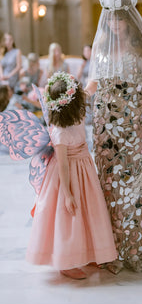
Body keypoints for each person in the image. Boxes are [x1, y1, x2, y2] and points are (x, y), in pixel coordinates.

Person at [86, 0, 142, 274]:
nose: (115, 24)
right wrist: (68, 96)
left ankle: (135, 249)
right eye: (111, 18)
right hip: (104, 126)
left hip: (133, 125)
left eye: (120, 18)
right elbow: (92, 86)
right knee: (107, 187)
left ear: (130, 17)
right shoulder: (101, 45)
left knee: (134, 187)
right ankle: (109, 251)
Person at [25, 71, 118, 279]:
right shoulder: (59, 131)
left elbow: (89, 89)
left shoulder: (76, 112)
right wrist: (66, 193)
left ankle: (92, 252)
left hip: (84, 168)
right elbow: (63, 166)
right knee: (69, 215)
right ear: (70, 102)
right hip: (65, 176)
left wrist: (99, 69)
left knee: (89, 211)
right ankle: (66, 261)